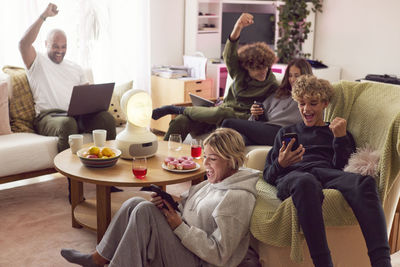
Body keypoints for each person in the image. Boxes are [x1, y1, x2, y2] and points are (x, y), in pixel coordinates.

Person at [60, 128, 260, 267]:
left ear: (232, 160)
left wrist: (179, 226)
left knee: (143, 211)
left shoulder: (237, 198)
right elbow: (194, 203)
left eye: (212, 159)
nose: (205, 163)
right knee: (135, 202)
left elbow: (220, 254)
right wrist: (173, 203)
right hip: (186, 244)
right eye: (205, 156)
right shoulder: (218, 179)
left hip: (200, 261)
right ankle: (97, 259)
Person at [263, 74, 391, 267]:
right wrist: (281, 163)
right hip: (293, 175)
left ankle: (382, 263)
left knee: (363, 181)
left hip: (326, 172)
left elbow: (342, 169)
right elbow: (268, 175)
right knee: (306, 181)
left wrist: (340, 139)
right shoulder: (285, 133)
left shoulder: (337, 131)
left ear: (325, 104)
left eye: (313, 103)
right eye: (302, 104)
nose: (306, 109)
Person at [19, 3, 120, 200]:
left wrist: (92, 96)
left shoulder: (75, 67)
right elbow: (23, 43)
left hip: (76, 115)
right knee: (68, 123)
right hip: (50, 118)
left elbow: (87, 94)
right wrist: (43, 16)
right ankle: (74, 185)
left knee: (106, 119)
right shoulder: (37, 62)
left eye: (64, 47)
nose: (60, 50)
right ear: (46, 44)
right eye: (55, 46)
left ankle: (109, 179)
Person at [152, 12, 278, 142]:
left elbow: (274, 109)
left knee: (225, 113)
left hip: (240, 120)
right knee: (181, 120)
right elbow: (229, 54)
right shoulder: (239, 72)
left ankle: (176, 109)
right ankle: (165, 154)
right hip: (218, 114)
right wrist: (238, 27)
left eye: (265, 67)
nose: (263, 71)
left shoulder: (272, 84)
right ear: (247, 67)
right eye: (257, 69)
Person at [221, 58, 312, 146]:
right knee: (233, 139)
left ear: (305, 76)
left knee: (228, 123)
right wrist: (256, 114)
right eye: (290, 75)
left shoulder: (308, 98)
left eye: (296, 76)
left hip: (282, 133)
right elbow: (258, 118)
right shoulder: (280, 93)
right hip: (266, 128)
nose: (292, 79)